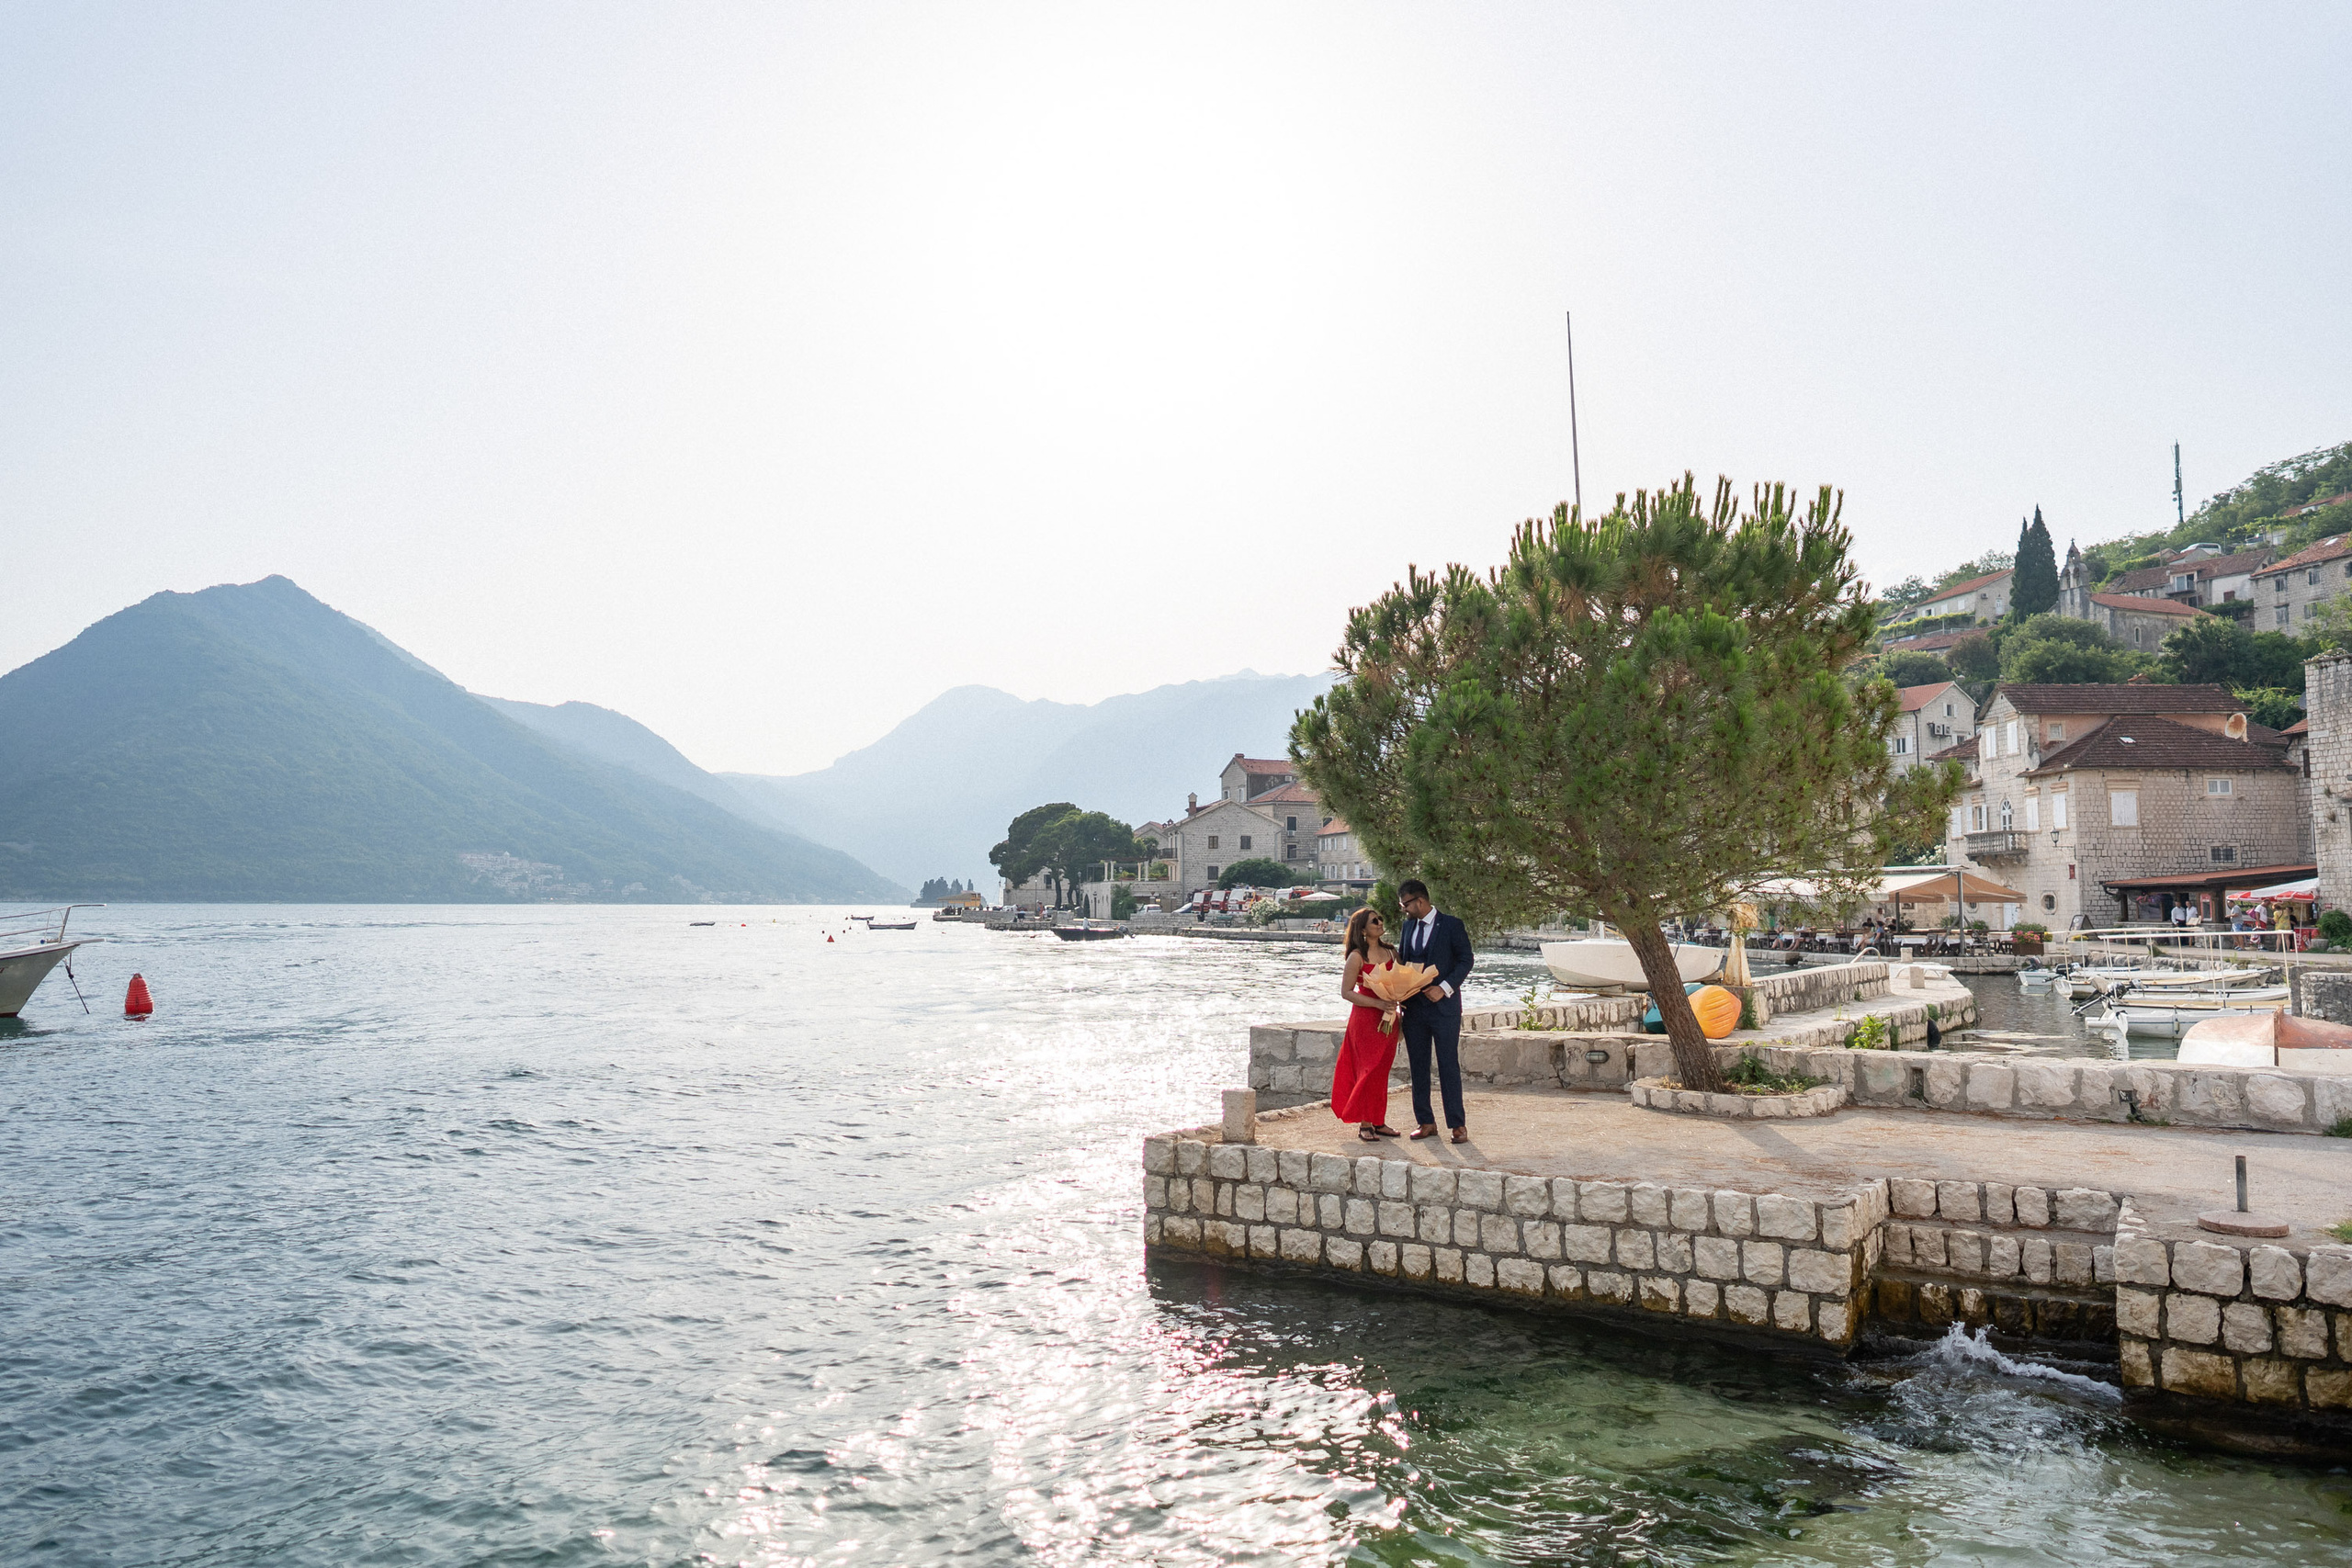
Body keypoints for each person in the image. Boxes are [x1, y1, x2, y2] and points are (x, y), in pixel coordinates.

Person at [1395, 879, 1475, 1143]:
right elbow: (1404, 963)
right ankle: (1426, 1122)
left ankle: (1457, 1125)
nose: (1403, 909)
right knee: (1417, 1067)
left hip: (1445, 1009)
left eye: (1406, 904)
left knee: (1448, 1065)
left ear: (1420, 901)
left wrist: (1444, 988)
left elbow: (1466, 960)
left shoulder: (1452, 925)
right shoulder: (1407, 927)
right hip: (1414, 1009)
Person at [1330, 908, 1402, 1141]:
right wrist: (1377, 1003)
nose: (1380, 922)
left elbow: (1402, 982)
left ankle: (1378, 1121)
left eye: (1381, 918)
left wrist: (1396, 1001)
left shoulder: (1392, 952)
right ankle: (1364, 1122)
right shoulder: (1356, 956)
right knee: (1367, 1070)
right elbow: (1346, 992)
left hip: (1389, 1018)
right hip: (1365, 1020)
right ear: (1362, 929)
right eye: (1374, 921)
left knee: (1382, 1070)